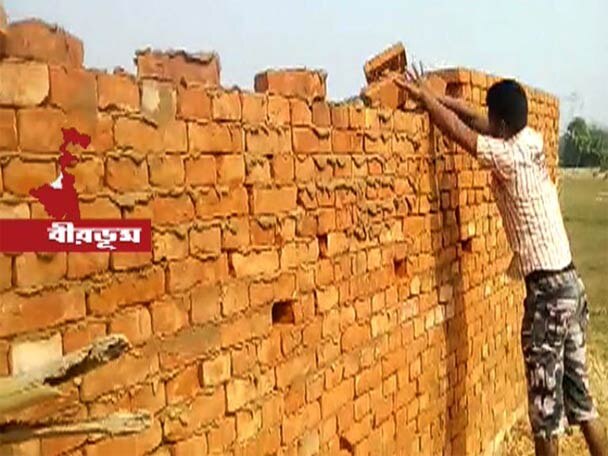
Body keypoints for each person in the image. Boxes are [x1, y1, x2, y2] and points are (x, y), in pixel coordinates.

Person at [394, 68, 608, 456]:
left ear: (502, 124)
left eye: (493, 119)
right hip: (570, 287)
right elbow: (477, 119)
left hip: (547, 297)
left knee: (544, 412)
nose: (486, 121)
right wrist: (437, 96)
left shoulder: (507, 157)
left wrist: (427, 102)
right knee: (582, 400)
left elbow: (463, 134)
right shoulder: (530, 140)